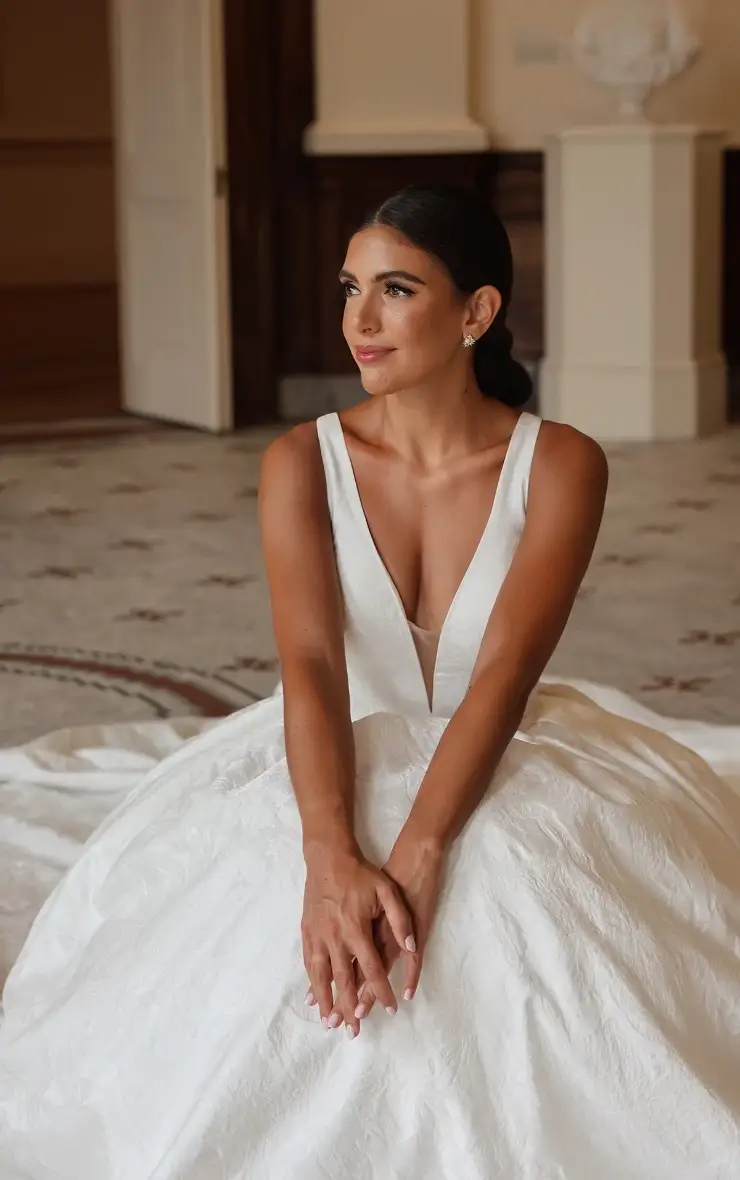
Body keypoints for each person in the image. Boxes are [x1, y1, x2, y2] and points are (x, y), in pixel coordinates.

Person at [1, 184, 739, 1180]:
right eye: (350, 288)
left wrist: (424, 846)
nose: (357, 320)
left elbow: (506, 673)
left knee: (528, 914)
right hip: (336, 739)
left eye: (395, 289)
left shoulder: (560, 463)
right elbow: (307, 662)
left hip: (500, 743)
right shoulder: (298, 462)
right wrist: (326, 855)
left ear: (475, 312)